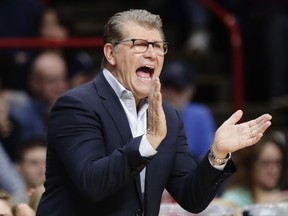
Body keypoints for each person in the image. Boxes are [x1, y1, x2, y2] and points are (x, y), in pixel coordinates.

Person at [36, 9, 272, 216]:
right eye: (139, 44)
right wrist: (148, 143)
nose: (151, 54)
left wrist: (218, 153)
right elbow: (92, 183)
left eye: (158, 46)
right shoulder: (76, 105)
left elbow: (192, 198)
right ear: (111, 53)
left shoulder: (167, 115)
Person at [160, 59, 216, 162]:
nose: (171, 93)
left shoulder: (199, 115)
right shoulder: (145, 111)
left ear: (190, 91)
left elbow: (207, 159)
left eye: (178, 88)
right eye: (166, 86)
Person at [221, 130, 288, 208]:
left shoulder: (278, 192)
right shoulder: (234, 198)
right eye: (265, 163)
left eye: (278, 163)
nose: (274, 170)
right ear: (250, 165)